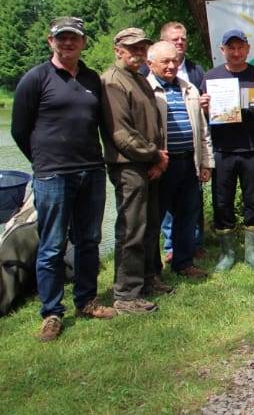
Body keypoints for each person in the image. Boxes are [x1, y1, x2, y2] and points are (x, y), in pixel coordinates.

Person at [11, 17, 115, 341]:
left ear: (83, 42)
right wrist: (42, 163)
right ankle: (52, 313)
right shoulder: (35, 79)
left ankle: (86, 300)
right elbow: (19, 130)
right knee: (53, 245)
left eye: (74, 38)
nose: (68, 43)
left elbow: (102, 124)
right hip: (53, 175)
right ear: (50, 41)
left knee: (89, 240)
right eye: (62, 38)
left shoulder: (91, 79)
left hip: (92, 171)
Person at [102, 27, 169, 315]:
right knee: (131, 228)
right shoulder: (112, 82)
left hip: (148, 164)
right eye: (132, 48)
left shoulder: (140, 79)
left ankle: (149, 278)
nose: (138, 53)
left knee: (150, 222)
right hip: (128, 165)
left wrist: (157, 158)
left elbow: (153, 123)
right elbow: (121, 134)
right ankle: (126, 295)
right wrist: (154, 154)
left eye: (142, 48)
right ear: (118, 49)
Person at [200, 30, 254, 271]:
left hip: (252, 149)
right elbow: (201, 116)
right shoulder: (210, 78)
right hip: (222, 150)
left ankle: (252, 251)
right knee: (222, 202)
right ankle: (227, 253)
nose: (236, 52)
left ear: (248, 49)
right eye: (231, 48)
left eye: (241, 47)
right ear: (222, 51)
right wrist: (204, 107)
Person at [146, 41, 212, 279]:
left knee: (188, 215)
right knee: (155, 219)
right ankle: (152, 269)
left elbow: (203, 130)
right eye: (165, 61)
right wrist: (151, 160)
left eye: (175, 61)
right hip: (161, 165)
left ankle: (184, 263)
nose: (171, 66)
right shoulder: (146, 90)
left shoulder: (189, 88)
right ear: (150, 64)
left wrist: (206, 162)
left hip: (188, 162)